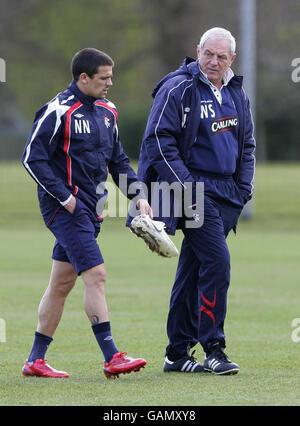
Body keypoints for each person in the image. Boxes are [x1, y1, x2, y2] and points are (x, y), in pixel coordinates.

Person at [21, 48, 153, 379]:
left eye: (111, 76)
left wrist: (138, 195)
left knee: (61, 283)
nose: (111, 82)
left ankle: (35, 361)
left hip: (91, 209)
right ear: (84, 78)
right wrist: (64, 197)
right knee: (97, 275)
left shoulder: (109, 112)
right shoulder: (58, 111)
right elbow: (31, 158)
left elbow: (118, 161)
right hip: (66, 209)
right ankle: (112, 356)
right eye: (104, 77)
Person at [135, 28, 255, 375]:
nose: (213, 62)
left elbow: (247, 144)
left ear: (231, 59)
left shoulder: (236, 92)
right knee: (218, 261)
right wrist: (187, 187)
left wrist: (244, 187)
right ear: (197, 51)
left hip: (226, 193)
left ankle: (176, 353)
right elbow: (159, 140)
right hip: (189, 192)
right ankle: (214, 348)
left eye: (221, 57)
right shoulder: (178, 87)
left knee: (192, 271)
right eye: (208, 54)